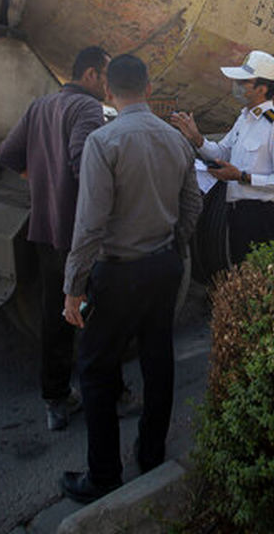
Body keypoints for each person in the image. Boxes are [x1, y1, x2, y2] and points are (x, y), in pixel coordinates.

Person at [60, 54, 202, 504]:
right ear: (147, 86)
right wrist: (174, 245)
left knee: (97, 370)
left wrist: (73, 287)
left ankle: (103, 475)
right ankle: (151, 452)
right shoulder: (176, 140)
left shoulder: (105, 142)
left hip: (118, 272)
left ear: (107, 91)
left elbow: (90, 225)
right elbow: (192, 205)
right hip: (163, 266)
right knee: (158, 359)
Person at [0, 45, 109, 431]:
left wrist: (44, 182)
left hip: (45, 229)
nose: (108, 87)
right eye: (105, 77)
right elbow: (85, 164)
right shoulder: (88, 109)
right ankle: (112, 391)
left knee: (55, 315)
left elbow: (9, 156)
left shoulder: (39, 106)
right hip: (79, 234)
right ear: (91, 75)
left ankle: (56, 401)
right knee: (97, 316)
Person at [169, 50, 274, 264]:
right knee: (240, 273)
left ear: (262, 88)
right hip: (237, 213)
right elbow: (221, 152)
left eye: (243, 82)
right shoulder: (244, 118)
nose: (236, 85)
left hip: (261, 216)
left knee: (257, 279)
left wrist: (242, 176)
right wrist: (196, 138)